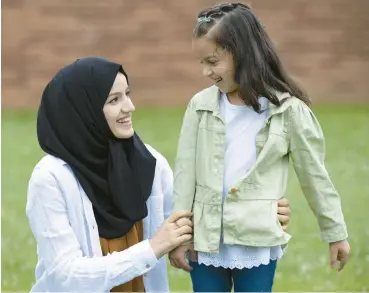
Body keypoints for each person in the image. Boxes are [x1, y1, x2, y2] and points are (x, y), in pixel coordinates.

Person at [26, 57, 292, 292]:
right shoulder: (50, 180)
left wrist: (259, 211)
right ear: (83, 112)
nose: (129, 106)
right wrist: (152, 249)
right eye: (113, 100)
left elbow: (192, 225)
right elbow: (66, 276)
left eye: (127, 94)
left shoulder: (149, 164)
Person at [169, 3, 350, 293]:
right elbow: (184, 175)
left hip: (258, 240)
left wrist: (335, 233)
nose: (205, 71)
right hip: (205, 240)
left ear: (241, 52)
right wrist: (179, 236)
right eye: (201, 62)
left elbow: (314, 176)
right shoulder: (199, 107)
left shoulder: (289, 111)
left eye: (212, 61)